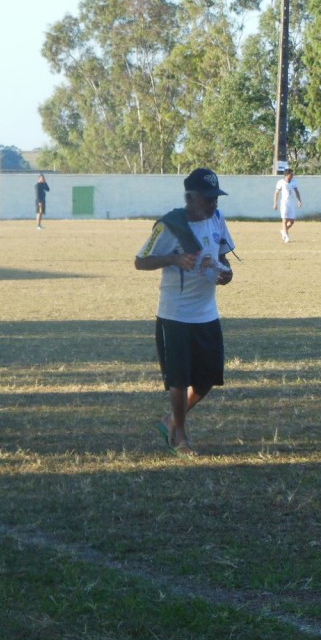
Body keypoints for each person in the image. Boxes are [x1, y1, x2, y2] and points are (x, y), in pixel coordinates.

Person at [135, 167, 236, 456]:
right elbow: (140, 261)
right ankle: (180, 438)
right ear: (190, 198)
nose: (213, 204)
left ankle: (170, 421)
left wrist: (228, 273)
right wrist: (174, 259)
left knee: (207, 379)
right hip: (175, 315)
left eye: (216, 197)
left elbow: (222, 257)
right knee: (178, 381)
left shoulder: (217, 219)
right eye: (207, 199)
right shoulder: (170, 226)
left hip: (207, 314)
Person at [272, 169, 302, 242]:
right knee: (284, 220)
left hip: (291, 203)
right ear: (287, 175)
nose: (293, 175)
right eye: (291, 174)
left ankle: (283, 231)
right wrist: (275, 203)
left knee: (292, 221)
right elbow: (276, 193)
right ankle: (287, 237)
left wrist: (299, 200)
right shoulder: (280, 182)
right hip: (284, 203)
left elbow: (296, 191)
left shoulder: (294, 182)